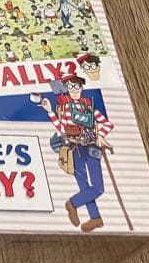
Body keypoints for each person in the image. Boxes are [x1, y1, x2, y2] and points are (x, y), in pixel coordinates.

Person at [32, 73, 114, 232]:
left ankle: (73, 203)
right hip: (74, 148)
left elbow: (107, 124)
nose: (74, 90)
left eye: (76, 86)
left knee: (98, 187)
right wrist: (50, 112)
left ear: (81, 88)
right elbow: (62, 129)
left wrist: (100, 135)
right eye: (70, 87)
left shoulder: (89, 107)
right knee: (83, 185)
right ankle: (95, 217)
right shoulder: (65, 109)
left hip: (91, 147)